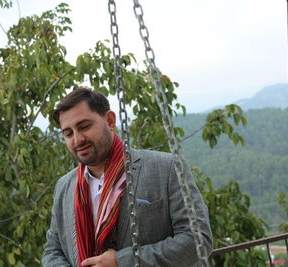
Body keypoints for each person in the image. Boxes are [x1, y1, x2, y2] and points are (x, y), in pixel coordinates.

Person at [42, 87, 212, 267]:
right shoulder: (65, 186)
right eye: (68, 133)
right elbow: (53, 249)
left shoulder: (167, 168)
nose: (77, 139)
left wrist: (122, 262)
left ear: (109, 120)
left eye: (84, 126)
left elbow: (198, 240)